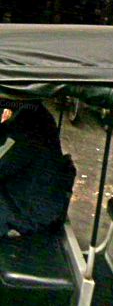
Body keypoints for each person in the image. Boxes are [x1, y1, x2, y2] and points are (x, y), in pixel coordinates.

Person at [0, 101, 76, 237]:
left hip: (27, 213)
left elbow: (5, 162)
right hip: (30, 200)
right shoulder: (32, 112)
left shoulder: (28, 122)